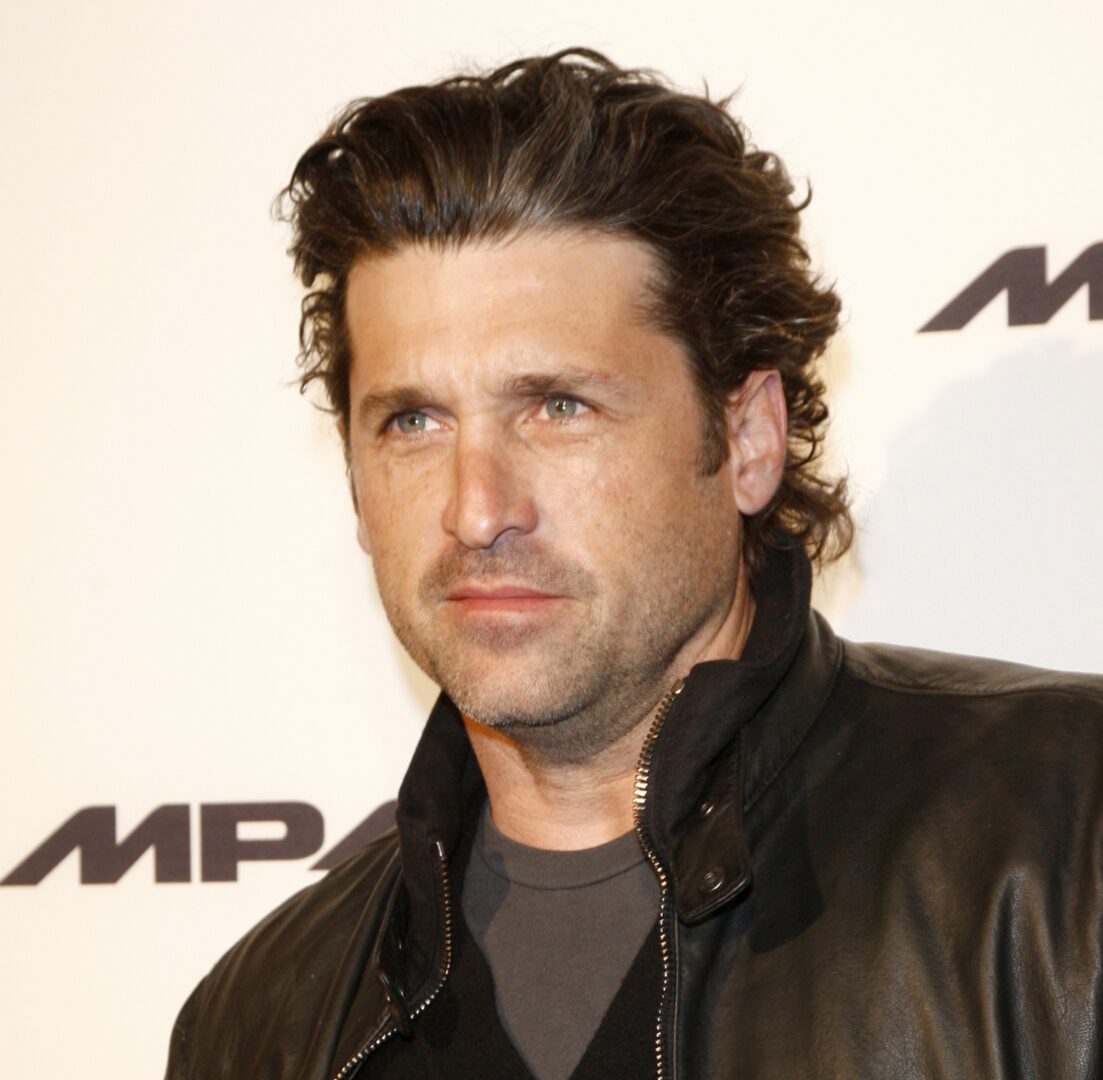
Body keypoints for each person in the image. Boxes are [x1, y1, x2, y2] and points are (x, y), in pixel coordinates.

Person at [165, 50, 1103, 1079]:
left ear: (746, 438)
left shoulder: (1069, 843)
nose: (476, 510)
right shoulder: (259, 1023)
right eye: (413, 422)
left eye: (557, 407)